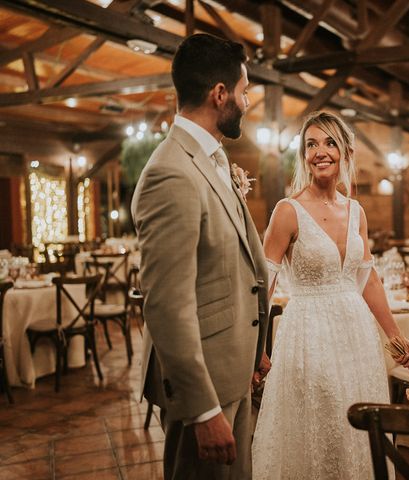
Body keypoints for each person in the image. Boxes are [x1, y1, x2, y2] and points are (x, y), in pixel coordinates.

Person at [131, 33, 270, 480]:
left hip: (233, 367)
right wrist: (203, 409)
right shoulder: (170, 172)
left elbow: (232, 265)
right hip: (207, 385)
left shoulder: (212, 157)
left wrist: (256, 346)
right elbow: (167, 305)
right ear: (219, 94)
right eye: (245, 92)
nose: (247, 102)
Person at [252, 111, 409, 479]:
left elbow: (367, 278)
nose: (320, 151)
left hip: (356, 335)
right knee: (321, 423)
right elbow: (264, 285)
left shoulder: (356, 211)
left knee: (357, 423)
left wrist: (395, 336)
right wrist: (255, 345)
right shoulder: (287, 211)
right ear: (303, 155)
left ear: (345, 152)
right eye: (311, 144)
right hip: (308, 334)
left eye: (329, 142)